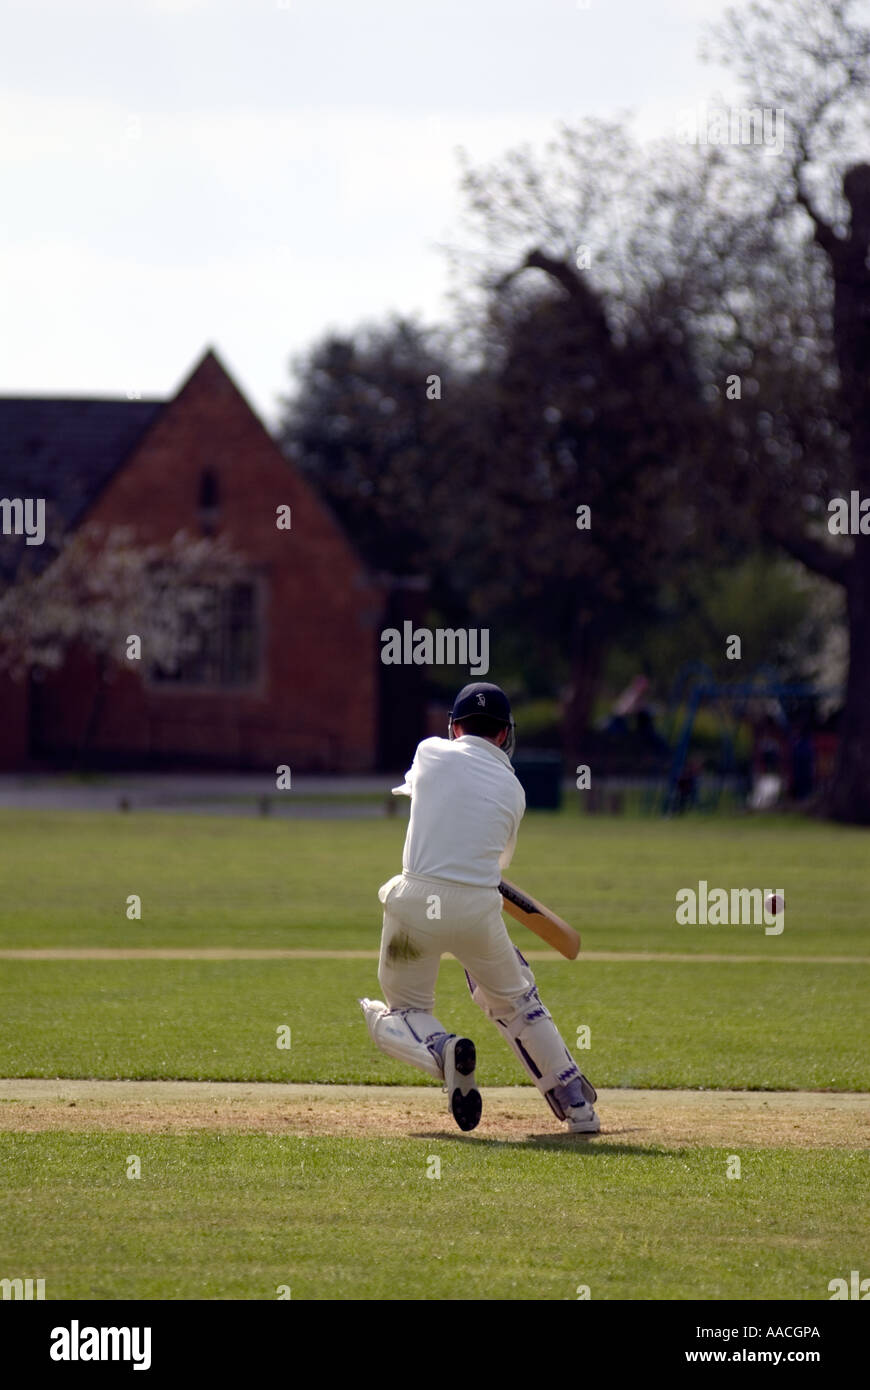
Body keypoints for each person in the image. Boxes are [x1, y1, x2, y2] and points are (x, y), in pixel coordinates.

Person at [359, 681, 600, 1135]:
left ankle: (442, 1048)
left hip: (414, 905)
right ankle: (576, 1103)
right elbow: (498, 865)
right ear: (506, 735)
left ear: (453, 728)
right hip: (477, 909)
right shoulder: (514, 790)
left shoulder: (429, 752)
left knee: (398, 1012)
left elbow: (422, 797)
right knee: (518, 1003)